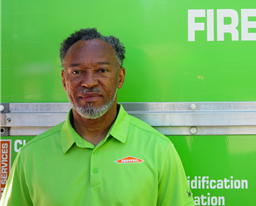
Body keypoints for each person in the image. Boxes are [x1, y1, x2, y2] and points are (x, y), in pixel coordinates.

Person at [1, 28, 194, 206]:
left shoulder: (158, 149)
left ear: (120, 78)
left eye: (102, 70)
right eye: (77, 72)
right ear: (64, 80)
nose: (89, 82)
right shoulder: (31, 157)